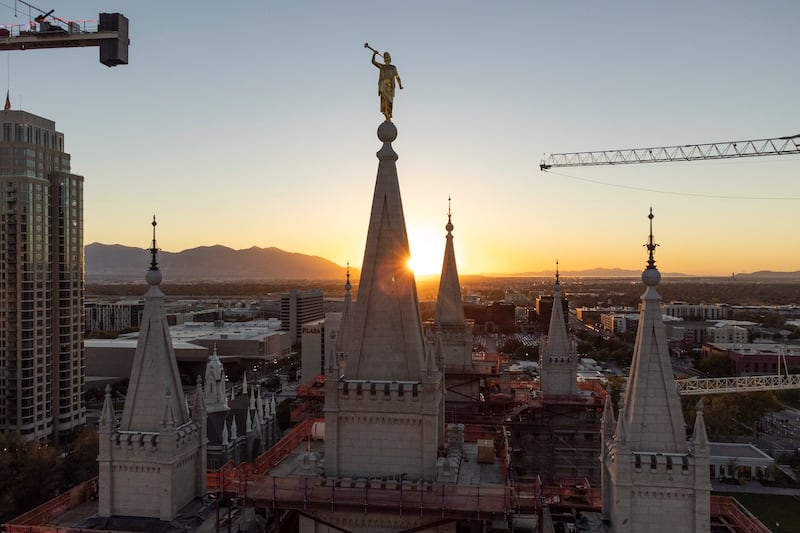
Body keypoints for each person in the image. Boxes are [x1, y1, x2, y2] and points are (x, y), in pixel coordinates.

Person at [371, 51, 403, 121]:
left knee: (389, 102)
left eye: (387, 57)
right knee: (384, 102)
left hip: (390, 88)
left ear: (390, 59)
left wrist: (400, 85)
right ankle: (387, 117)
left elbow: (397, 77)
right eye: (385, 57)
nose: (386, 58)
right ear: (384, 59)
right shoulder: (382, 66)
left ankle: (388, 116)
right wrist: (374, 54)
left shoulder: (393, 67)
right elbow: (373, 62)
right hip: (383, 86)